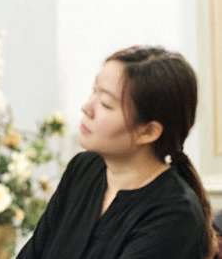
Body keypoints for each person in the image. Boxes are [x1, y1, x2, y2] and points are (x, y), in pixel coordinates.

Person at [17, 46, 217, 258]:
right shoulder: (84, 168)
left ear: (148, 131)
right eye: (94, 90)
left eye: (106, 104)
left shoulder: (175, 215)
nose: (87, 107)